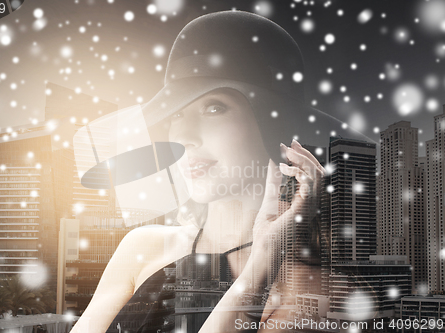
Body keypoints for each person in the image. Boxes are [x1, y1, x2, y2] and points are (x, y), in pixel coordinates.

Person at [70, 10, 338, 333]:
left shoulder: (307, 288)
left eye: (214, 108)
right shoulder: (141, 247)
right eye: (177, 114)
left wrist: (263, 259)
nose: (183, 137)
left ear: (274, 128)